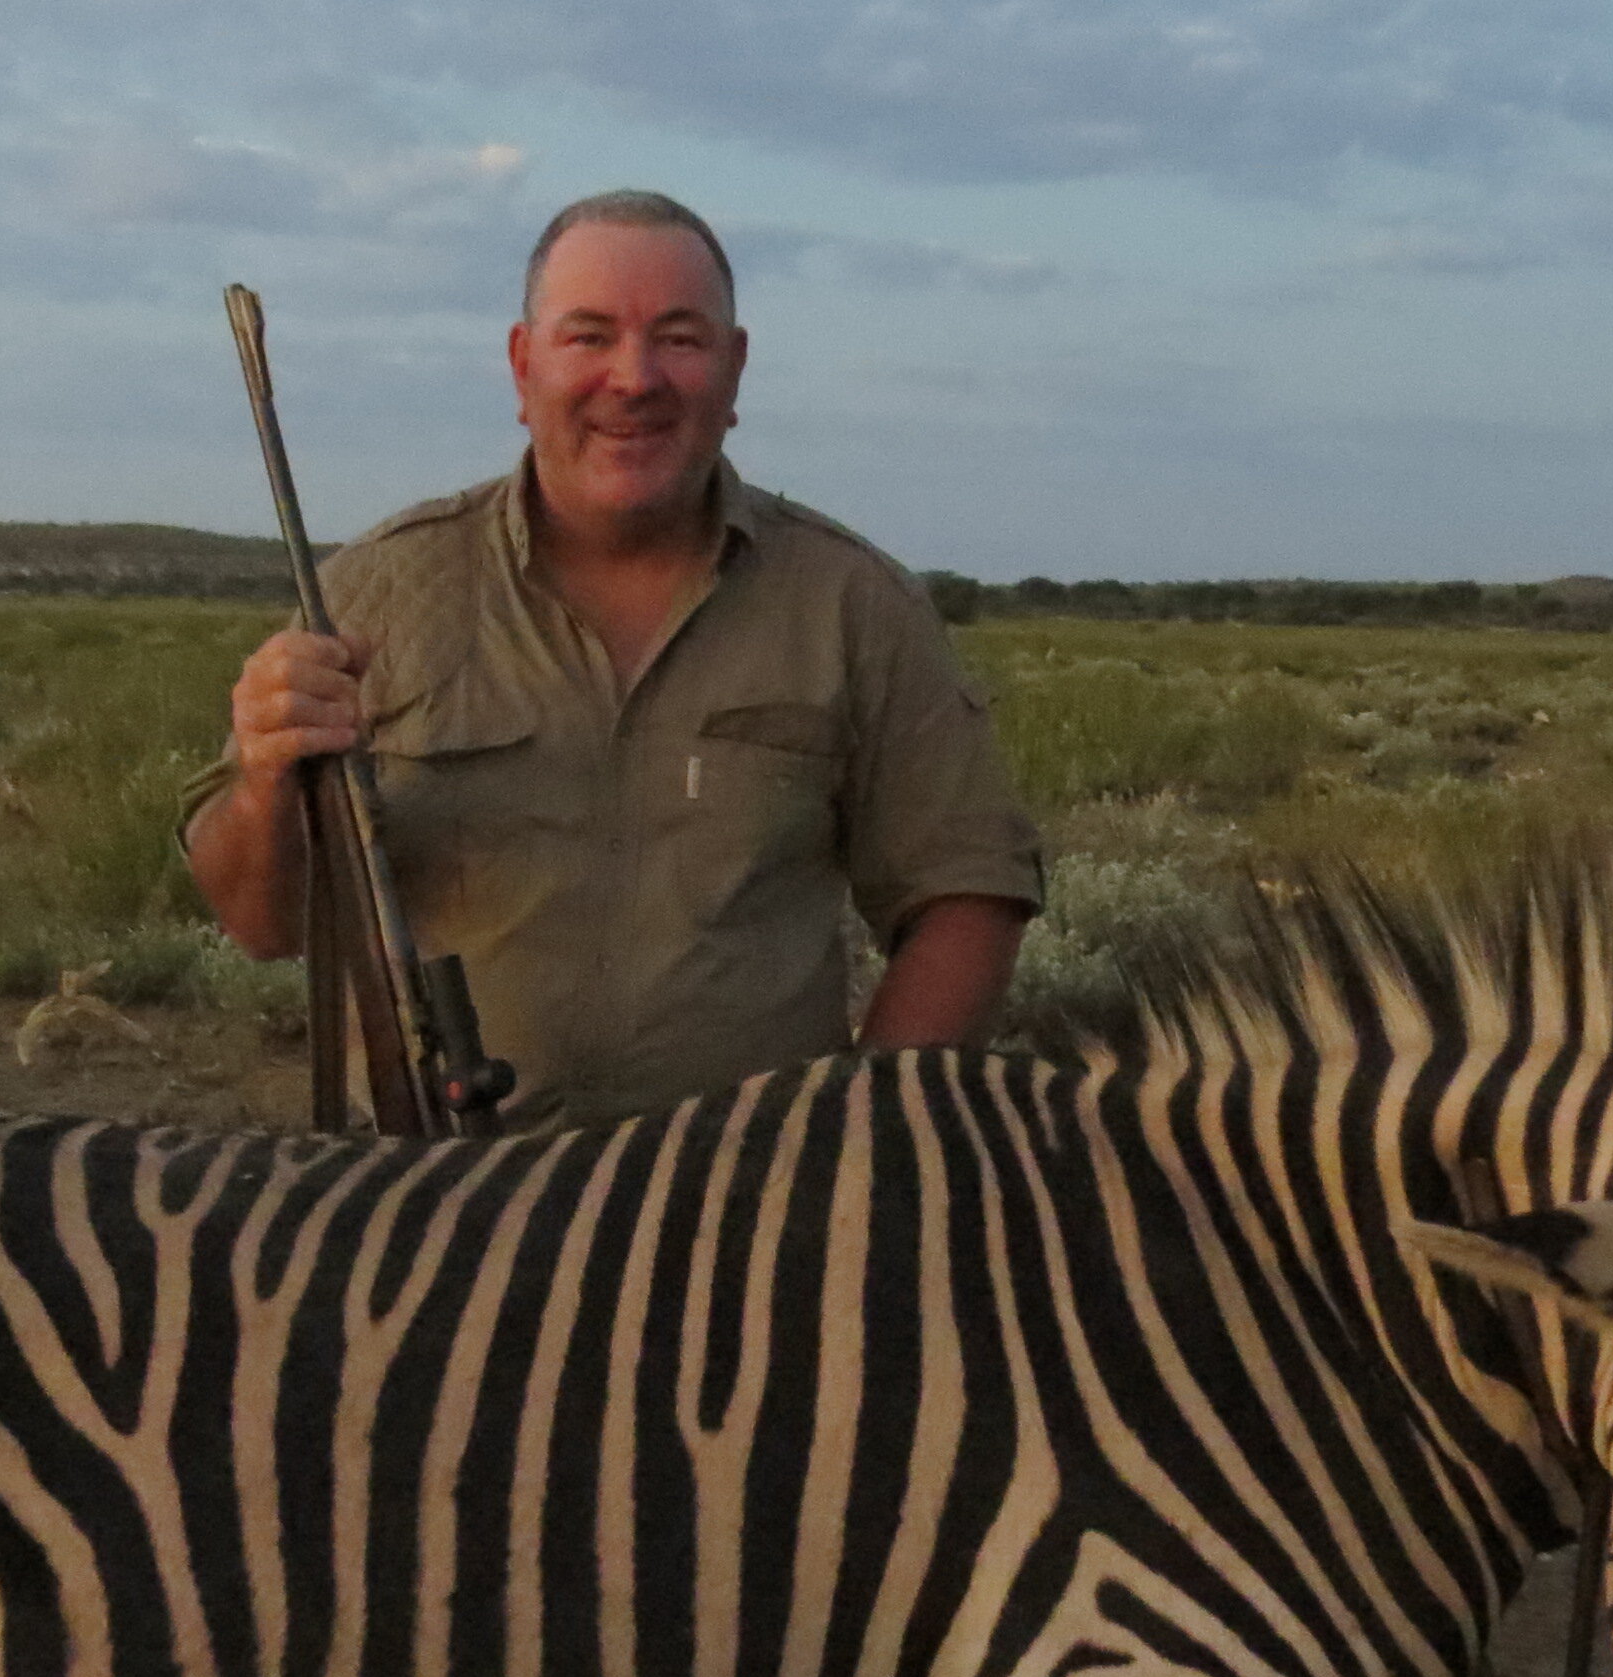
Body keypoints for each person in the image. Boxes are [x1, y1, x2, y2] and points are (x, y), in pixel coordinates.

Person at [184, 189, 1042, 1131]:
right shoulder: (374, 592)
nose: (634, 380)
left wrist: (856, 1136)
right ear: (522, 368)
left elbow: (965, 897)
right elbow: (260, 924)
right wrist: (267, 780)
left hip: (744, 1217)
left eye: (679, 338)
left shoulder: (854, 605)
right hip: (427, 1214)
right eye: (588, 338)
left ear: (736, 368)